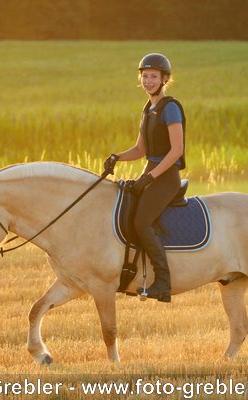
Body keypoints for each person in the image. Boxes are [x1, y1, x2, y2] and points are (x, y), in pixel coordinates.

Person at [104, 53, 186, 303]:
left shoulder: (170, 107)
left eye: (153, 76)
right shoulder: (148, 108)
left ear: (164, 79)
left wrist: (150, 178)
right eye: (145, 76)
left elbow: (176, 151)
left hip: (166, 176)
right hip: (151, 172)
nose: (148, 81)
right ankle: (132, 272)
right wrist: (117, 157)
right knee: (126, 214)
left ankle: (163, 281)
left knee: (141, 223)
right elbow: (141, 150)